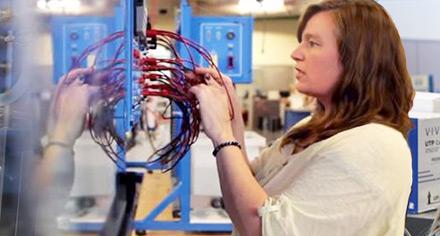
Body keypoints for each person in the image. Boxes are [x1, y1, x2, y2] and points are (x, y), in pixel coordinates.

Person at [188, 0, 414, 235]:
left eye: (313, 43)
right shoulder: (314, 126)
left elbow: (261, 228)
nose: (296, 54)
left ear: (357, 58)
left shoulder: (374, 146)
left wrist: (223, 133)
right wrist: (231, 112)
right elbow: (251, 182)